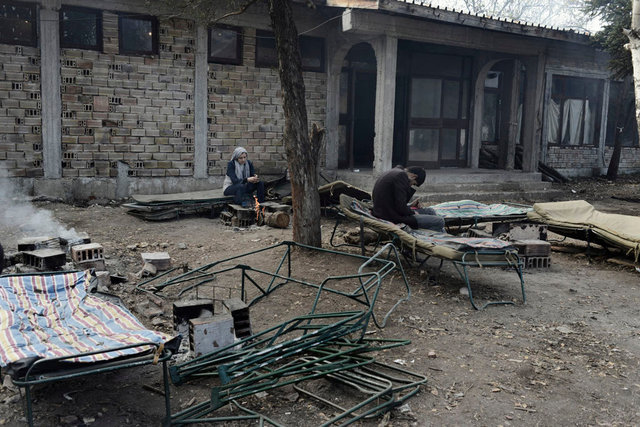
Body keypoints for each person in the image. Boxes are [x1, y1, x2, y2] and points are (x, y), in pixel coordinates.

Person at [372, 165, 445, 232]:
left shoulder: (396, 171)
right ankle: (426, 240)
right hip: (391, 216)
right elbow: (401, 208)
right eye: (413, 184)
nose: (410, 185)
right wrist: (413, 212)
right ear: (414, 177)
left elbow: (394, 201)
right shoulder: (401, 176)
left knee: (430, 211)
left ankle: (443, 236)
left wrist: (410, 205)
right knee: (440, 221)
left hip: (386, 211)